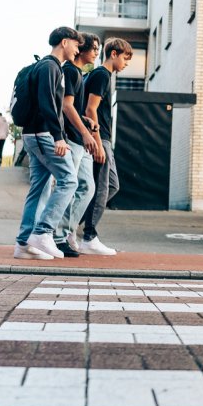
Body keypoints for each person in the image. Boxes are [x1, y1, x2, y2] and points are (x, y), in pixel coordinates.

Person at [15, 26, 82, 260]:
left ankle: (23, 243)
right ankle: (43, 232)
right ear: (64, 42)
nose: (77, 50)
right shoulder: (51, 67)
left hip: (34, 135)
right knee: (69, 180)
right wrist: (58, 136)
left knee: (40, 188)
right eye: (76, 44)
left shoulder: (45, 66)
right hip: (44, 135)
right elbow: (48, 104)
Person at [79, 37, 133, 256]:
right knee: (103, 186)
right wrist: (98, 144)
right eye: (125, 58)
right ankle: (89, 236)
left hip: (102, 138)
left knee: (109, 185)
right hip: (101, 138)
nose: (127, 64)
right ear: (114, 54)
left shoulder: (101, 75)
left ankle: (75, 225)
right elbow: (91, 110)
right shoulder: (101, 74)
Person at [53, 33, 101, 258]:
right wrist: (85, 131)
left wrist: (86, 120)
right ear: (82, 49)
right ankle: (59, 235)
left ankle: (67, 231)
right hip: (73, 139)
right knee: (72, 187)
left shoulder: (80, 74)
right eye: (94, 49)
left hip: (79, 138)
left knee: (86, 187)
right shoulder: (71, 71)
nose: (96, 54)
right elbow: (65, 105)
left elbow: (74, 108)